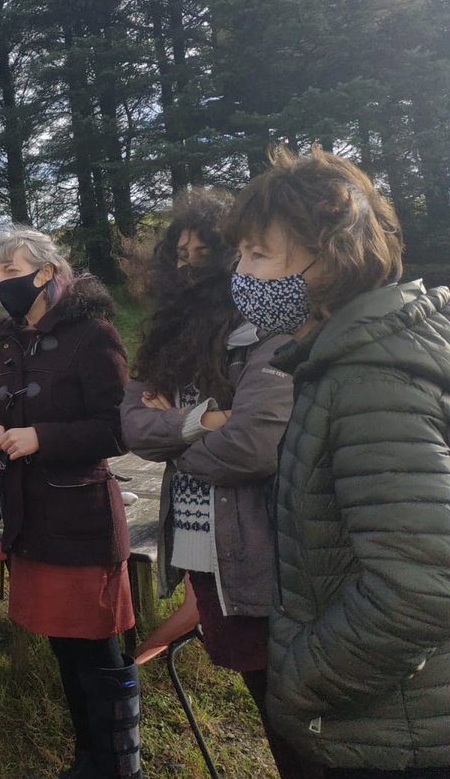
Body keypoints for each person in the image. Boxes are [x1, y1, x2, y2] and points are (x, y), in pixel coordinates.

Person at [227, 146, 450, 776]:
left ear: (331, 262)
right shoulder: (343, 362)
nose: (239, 273)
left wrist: (299, 684)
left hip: (391, 733)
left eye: (258, 255)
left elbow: (419, 589)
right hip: (384, 717)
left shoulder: (373, 379)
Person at [118, 195, 310, 777]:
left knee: (300, 717)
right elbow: (130, 426)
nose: (191, 265)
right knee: (267, 704)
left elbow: (252, 447)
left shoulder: (270, 331)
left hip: (263, 551)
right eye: (180, 252)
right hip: (207, 555)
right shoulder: (167, 338)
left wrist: (175, 436)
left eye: (207, 250)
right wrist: (204, 421)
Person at [0, 225, 139, 779]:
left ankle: (120, 765)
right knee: (64, 650)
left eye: (11, 269)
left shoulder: (94, 334)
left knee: (97, 653)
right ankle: (86, 760)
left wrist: (43, 438)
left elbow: (119, 429)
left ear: (47, 272)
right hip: (32, 517)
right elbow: (12, 412)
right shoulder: (10, 338)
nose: (3, 282)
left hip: (81, 518)